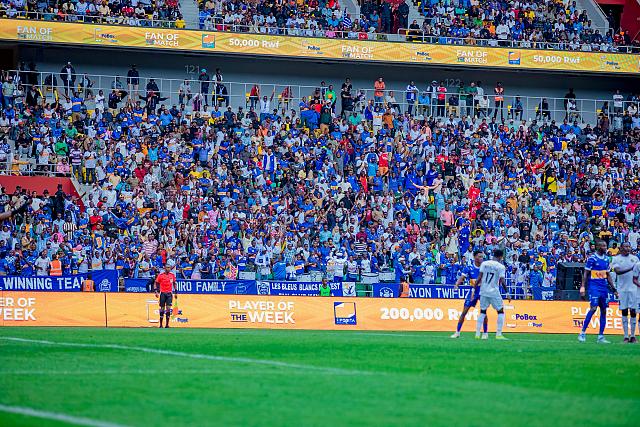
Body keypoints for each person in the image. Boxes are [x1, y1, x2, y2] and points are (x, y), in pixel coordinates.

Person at [578, 240, 618, 343]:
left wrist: (614, 289)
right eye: (603, 246)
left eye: (606, 246)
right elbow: (586, 273)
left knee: (604, 310)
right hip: (594, 287)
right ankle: (582, 333)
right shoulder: (592, 258)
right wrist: (583, 286)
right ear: (598, 247)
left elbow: (608, 275)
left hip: (603, 287)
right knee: (593, 308)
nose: (605, 247)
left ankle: (601, 336)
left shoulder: (606, 259)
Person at [451, 250, 488, 338]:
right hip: (473, 292)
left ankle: (485, 333)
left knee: (484, 313)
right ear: (474, 257)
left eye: (482, 257)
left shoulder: (485, 268)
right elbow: (462, 277)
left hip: (483, 292)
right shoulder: (469, 268)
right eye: (479, 256)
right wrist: (456, 285)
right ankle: (457, 332)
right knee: (464, 312)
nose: (481, 258)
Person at [475, 249, 510, 340]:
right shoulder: (501, 267)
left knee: (482, 312)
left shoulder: (484, 263)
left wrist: (474, 289)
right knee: (500, 311)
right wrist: (507, 292)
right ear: (501, 257)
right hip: (494, 291)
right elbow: (502, 281)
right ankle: (498, 334)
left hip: (483, 290)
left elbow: (479, 277)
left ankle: (477, 334)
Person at [611, 242, 637, 342]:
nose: (628, 248)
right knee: (624, 311)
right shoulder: (616, 259)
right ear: (621, 248)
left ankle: (633, 335)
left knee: (633, 311)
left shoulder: (635, 259)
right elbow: (617, 271)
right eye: (626, 246)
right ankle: (626, 336)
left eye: (629, 246)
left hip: (634, 289)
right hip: (622, 289)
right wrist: (631, 268)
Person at [154, 261, 178, 328]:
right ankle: (161, 324)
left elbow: (174, 283)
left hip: (169, 294)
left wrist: (176, 292)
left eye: (169, 268)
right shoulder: (161, 275)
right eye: (167, 267)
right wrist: (156, 291)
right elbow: (155, 283)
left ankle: (167, 324)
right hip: (162, 293)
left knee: (168, 308)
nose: (168, 269)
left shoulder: (172, 275)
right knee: (162, 308)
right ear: (164, 268)